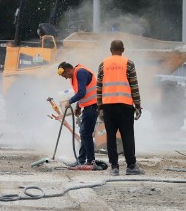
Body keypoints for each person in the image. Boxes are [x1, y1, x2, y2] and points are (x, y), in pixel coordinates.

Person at [97, 40, 144, 176]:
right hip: (125, 106)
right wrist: (138, 105)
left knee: (110, 137)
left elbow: (99, 87)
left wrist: (99, 106)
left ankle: (114, 167)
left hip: (108, 106)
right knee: (127, 136)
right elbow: (134, 86)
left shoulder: (103, 64)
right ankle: (131, 166)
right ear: (123, 49)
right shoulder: (128, 63)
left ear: (110, 50)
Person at [57, 62, 98, 170]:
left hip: (93, 106)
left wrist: (69, 101)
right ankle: (81, 160)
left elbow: (82, 92)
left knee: (86, 134)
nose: (65, 78)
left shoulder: (80, 72)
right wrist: (78, 107)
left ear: (68, 70)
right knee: (84, 133)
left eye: (64, 75)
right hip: (88, 106)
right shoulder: (75, 75)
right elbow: (83, 93)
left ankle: (90, 161)